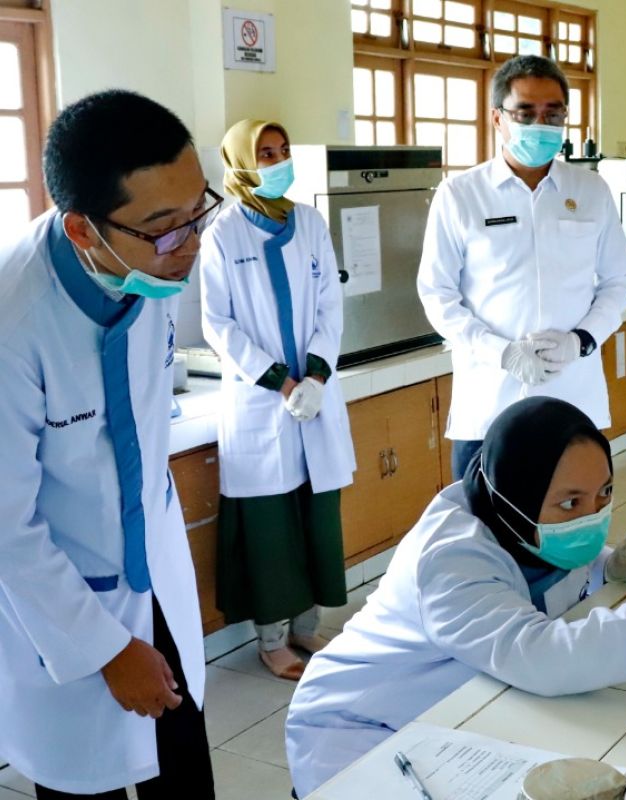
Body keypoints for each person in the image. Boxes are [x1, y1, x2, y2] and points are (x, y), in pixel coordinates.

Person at [284, 397, 626, 797]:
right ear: (518, 492)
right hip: (361, 730)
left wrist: (607, 566)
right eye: (570, 502)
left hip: (454, 712)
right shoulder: (452, 560)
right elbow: (541, 655)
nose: (591, 514)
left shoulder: (516, 518)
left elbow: (548, 581)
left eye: (604, 493)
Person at [0, 90, 214, 798]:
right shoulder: (15, 321)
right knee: (82, 781)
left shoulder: (148, 267)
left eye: (197, 215)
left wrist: (140, 634)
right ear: (83, 230)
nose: (187, 246)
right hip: (56, 609)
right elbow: (8, 527)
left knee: (183, 767)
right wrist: (104, 646)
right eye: (164, 229)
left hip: (152, 574)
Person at [417, 54, 626, 480]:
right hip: (488, 407)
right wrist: (501, 353)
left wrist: (582, 340)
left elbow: (618, 279)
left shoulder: (590, 190)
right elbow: (437, 294)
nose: (542, 124)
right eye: (526, 112)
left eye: (553, 114)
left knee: (573, 532)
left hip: (574, 403)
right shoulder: (461, 195)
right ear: (498, 118)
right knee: (484, 538)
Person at [199, 119, 355, 680]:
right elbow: (217, 324)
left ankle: (306, 626)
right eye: (265, 153)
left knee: (316, 514)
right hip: (261, 403)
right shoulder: (222, 233)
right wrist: (279, 381)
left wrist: (313, 376)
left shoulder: (309, 222)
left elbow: (328, 305)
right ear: (241, 161)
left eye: (283, 151)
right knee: (270, 525)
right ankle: (270, 640)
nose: (278, 160)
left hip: (314, 396)